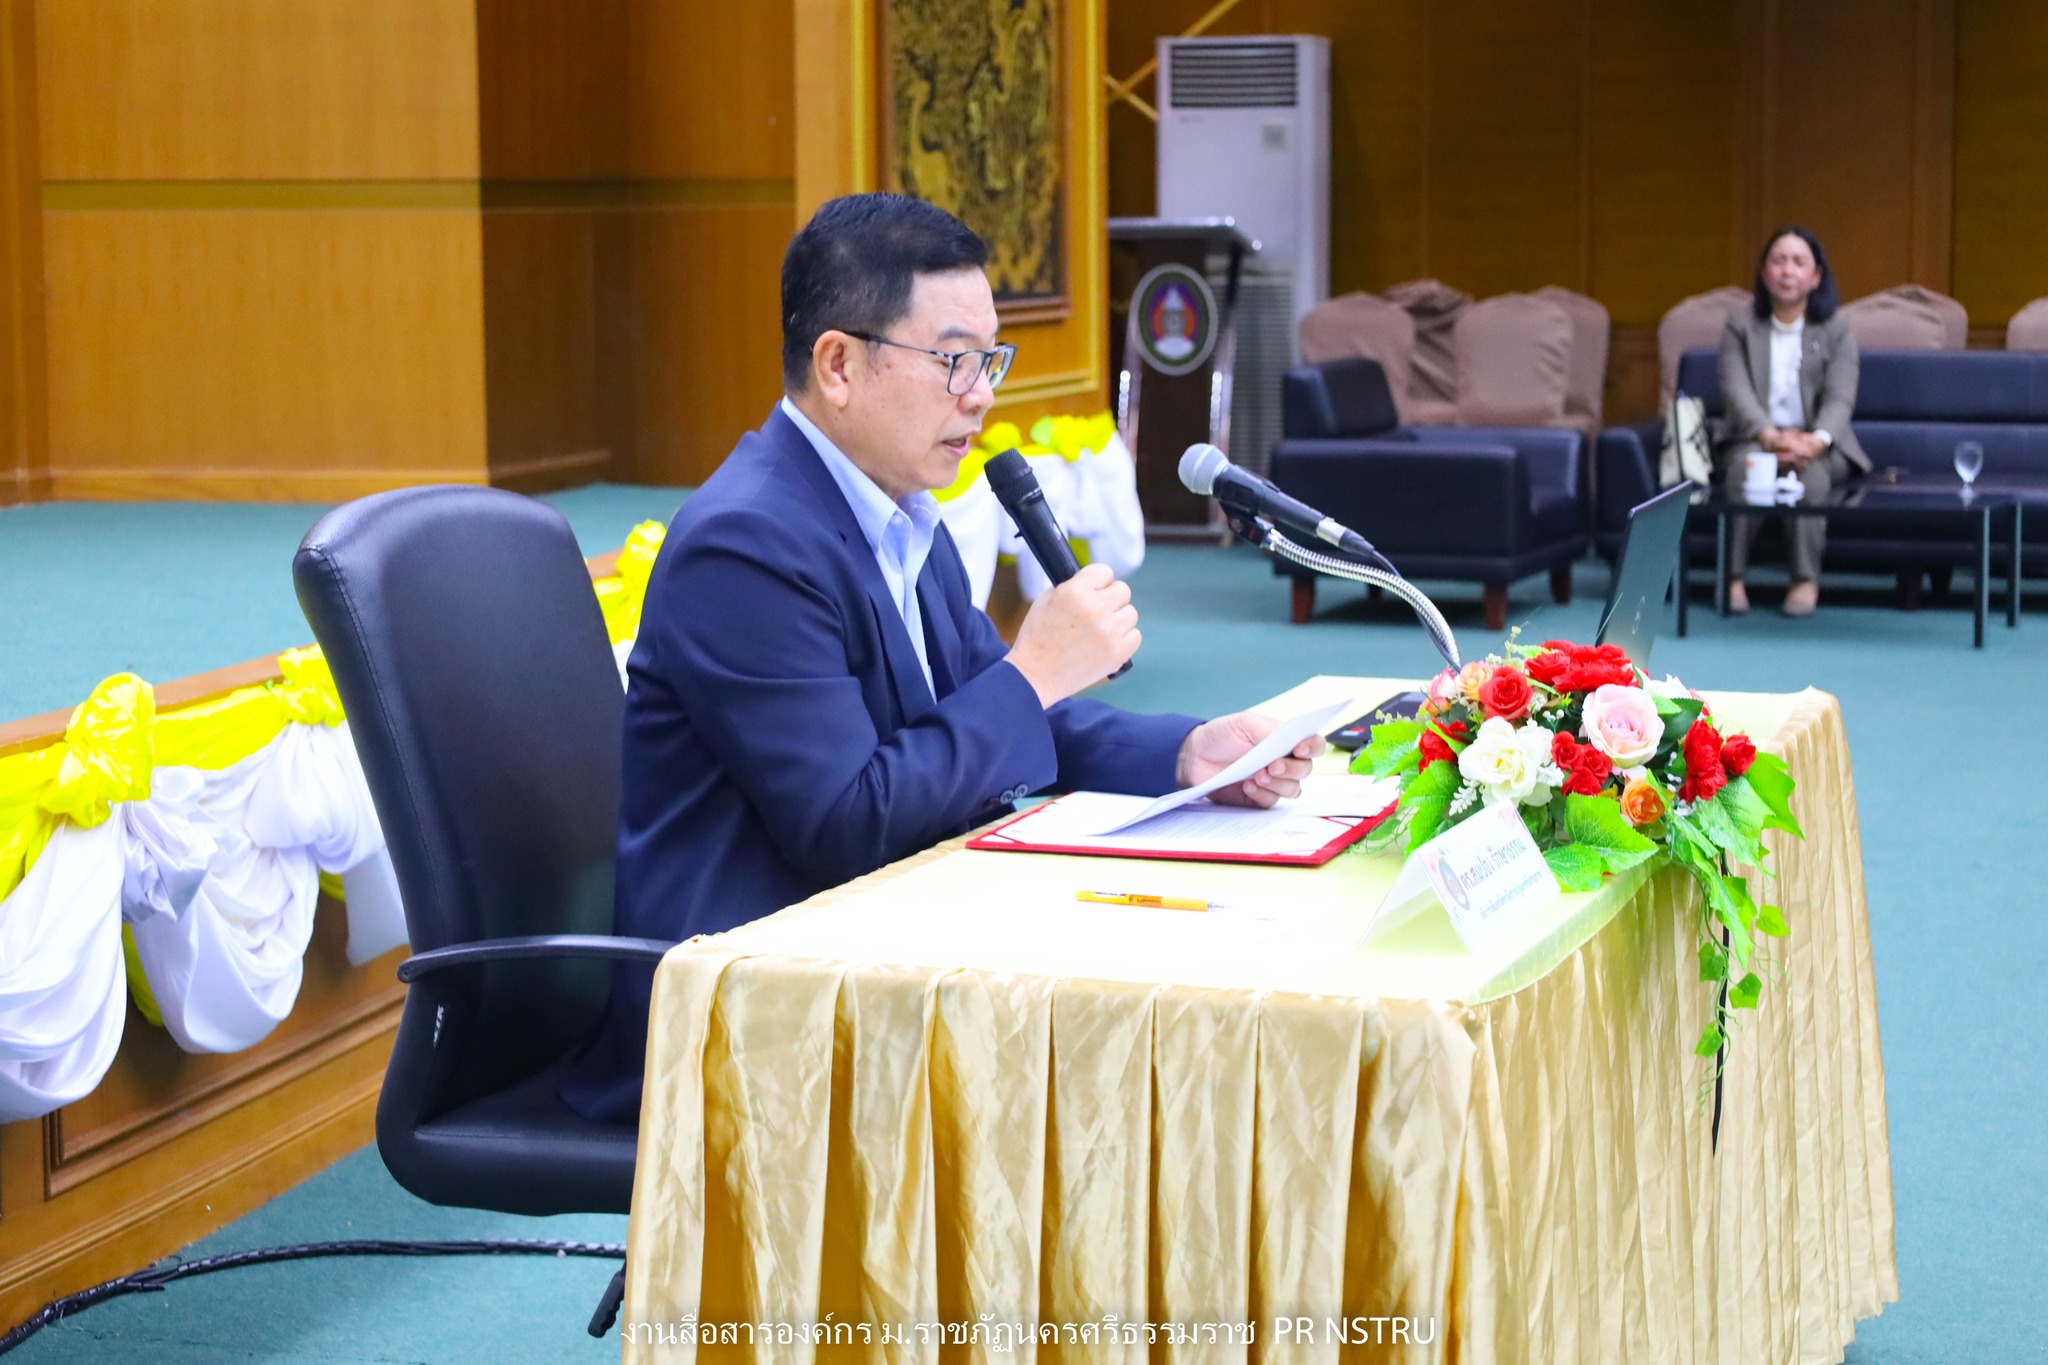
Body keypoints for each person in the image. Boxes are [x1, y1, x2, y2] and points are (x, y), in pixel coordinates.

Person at [563, 193, 1324, 1121]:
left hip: (867, 957)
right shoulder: (747, 543)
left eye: (990, 360)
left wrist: (1190, 753)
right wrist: (1033, 670)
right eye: (955, 360)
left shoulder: (897, 513)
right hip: (745, 1012)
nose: (982, 394)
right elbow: (848, 819)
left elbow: (989, 715)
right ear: (839, 365)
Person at [1716, 227, 1867, 617]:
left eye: (1799, 262)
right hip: (1755, 437)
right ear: (1764, 272)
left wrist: (1814, 441)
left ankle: (1804, 579)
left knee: (1811, 477)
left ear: (1816, 277)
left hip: (1817, 442)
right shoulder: (1740, 323)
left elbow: (1840, 397)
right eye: (1778, 261)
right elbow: (1736, 391)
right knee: (1747, 471)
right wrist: (1770, 437)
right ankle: (1732, 577)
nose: (1787, 271)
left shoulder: (1836, 327)